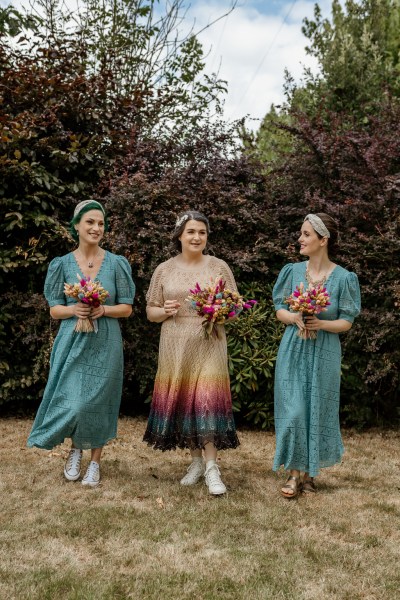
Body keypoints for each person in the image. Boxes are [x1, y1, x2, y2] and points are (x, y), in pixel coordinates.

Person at [27, 200, 135, 487]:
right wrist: (74, 310)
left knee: (99, 402)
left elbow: (127, 307)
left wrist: (104, 310)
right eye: (90, 222)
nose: (96, 228)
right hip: (71, 339)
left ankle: (95, 462)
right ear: (76, 225)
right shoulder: (61, 264)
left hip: (106, 340)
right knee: (74, 402)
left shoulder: (116, 263)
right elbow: (54, 309)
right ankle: (76, 449)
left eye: (100, 223)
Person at [143, 211, 240, 495]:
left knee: (206, 399)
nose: (197, 237)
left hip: (210, 341)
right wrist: (164, 311)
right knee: (187, 401)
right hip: (175, 343)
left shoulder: (219, 267)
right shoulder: (164, 269)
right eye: (191, 232)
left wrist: (222, 312)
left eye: (202, 232)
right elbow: (150, 311)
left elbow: (236, 307)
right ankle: (196, 462)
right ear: (179, 236)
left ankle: (212, 468)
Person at [272, 213, 361, 498]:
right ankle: (294, 473)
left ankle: (308, 475)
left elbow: (346, 321)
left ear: (324, 240)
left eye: (307, 234)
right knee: (294, 409)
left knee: (317, 410)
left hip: (325, 351)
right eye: (301, 233)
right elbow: (279, 309)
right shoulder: (292, 272)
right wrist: (294, 316)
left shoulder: (344, 278)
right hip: (293, 347)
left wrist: (321, 324)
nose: (300, 238)